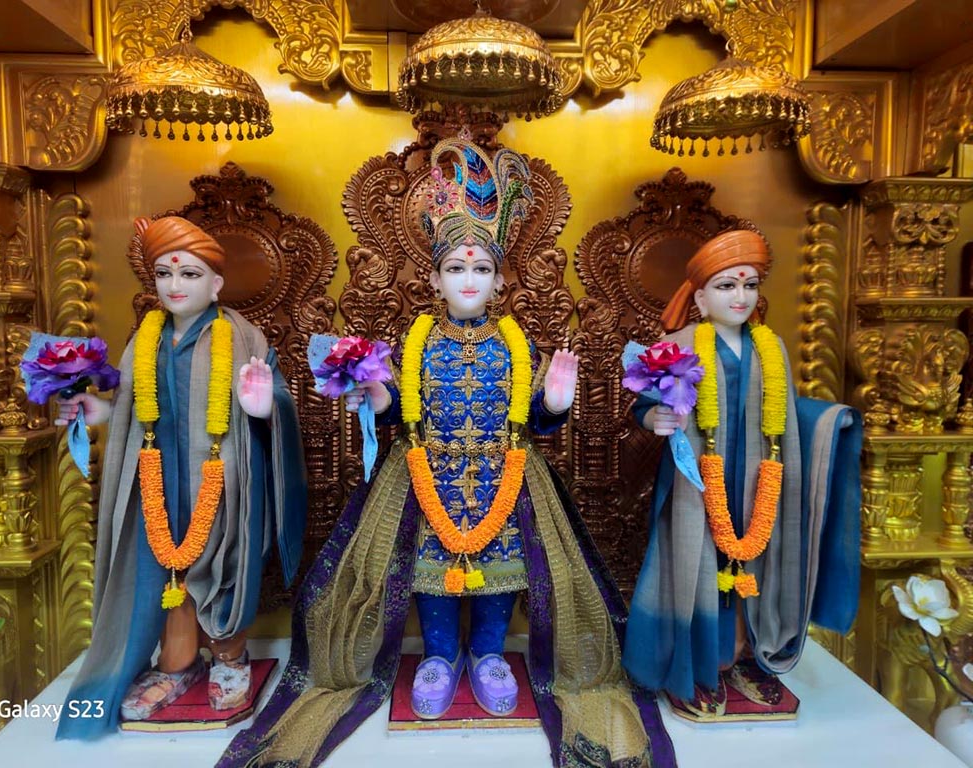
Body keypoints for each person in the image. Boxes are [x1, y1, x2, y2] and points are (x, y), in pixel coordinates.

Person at [218, 133, 674, 768]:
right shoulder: (415, 342)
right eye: (456, 268)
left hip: (507, 478)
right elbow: (399, 412)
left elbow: (537, 422)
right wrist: (373, 394)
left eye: (481, 269)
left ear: (497, 279)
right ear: (433, 276)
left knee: (500, 570)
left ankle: (487, 652)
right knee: (428, 571)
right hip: (423, 474)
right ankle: (438, 654)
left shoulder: (519, 345)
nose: (468, 279)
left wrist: (560, 400)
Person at [55, 216, 307, 738]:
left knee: (224, 559)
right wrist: (95, 412)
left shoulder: (241, 335)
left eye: (190, 275)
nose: (175, 285)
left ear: (215, 283)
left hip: (225, 477)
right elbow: (132, 409)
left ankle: (230, 657)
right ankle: (176, 664)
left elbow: (280, 404)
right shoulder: (144, 340)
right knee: (162, 563)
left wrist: (264, 408)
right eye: (165, 274)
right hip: (160, 478)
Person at [624, 230, 861, 716]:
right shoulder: (678, 345)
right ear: (701, 295)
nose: (740, 297)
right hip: (698, 488)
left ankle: (745, 652)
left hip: (757, 484)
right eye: (727, 286)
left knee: (753, 566)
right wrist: (655, 418)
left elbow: (786, 413)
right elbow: (642, 407)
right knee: (696, 566)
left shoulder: (770, 347)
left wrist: (829, 422)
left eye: (749, 285)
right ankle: (695, 664)